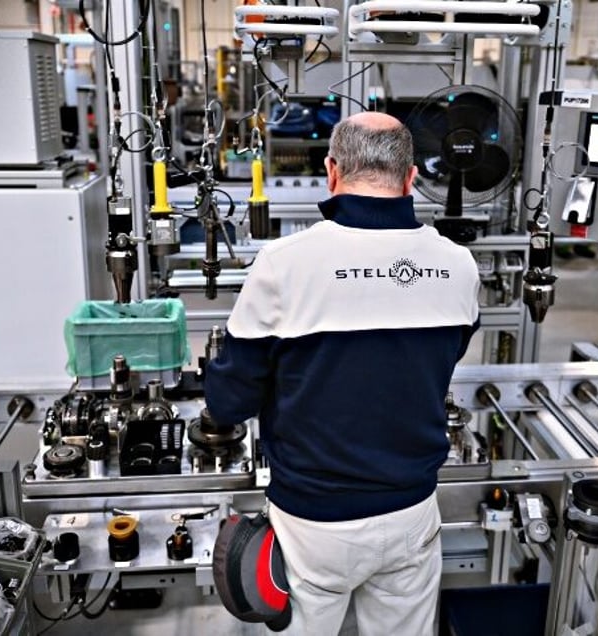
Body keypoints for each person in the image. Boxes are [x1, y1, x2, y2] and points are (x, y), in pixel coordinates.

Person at [204, 111, 481, 635]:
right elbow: (444, 358)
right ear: (411, 177)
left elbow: (230, 402)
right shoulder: (458, 264)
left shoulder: (284, 263)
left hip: (315, 521)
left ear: (332, 171)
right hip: (412, 510)